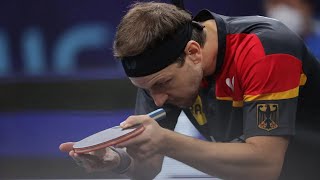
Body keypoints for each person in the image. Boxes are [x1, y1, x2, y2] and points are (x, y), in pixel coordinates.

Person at [60, 2, 320, 180]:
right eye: (147, 89)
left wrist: (167, 141)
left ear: (193, 53)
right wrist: (118, 160)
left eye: (162, 84)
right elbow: (150, 164)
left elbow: (265, 165)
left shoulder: (265, 49)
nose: (157, 99)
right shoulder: (159, 73)